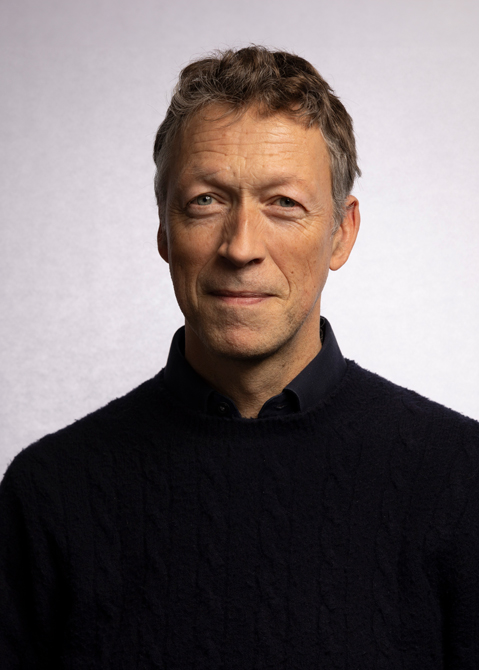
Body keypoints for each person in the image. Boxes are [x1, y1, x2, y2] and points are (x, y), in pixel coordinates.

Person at [1, 46, 478, 669]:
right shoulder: (47, 494)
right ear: (164, 230)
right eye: (206, 200)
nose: (241, 246)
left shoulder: (461, 478)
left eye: (283, 203)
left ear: (341, 232)